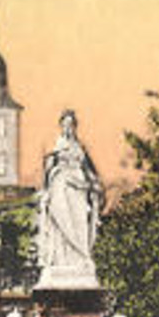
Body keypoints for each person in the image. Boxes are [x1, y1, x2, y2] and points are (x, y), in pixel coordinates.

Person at [36, 109, 103, 283]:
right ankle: (61, 261)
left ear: (74, 126)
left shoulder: (80, 147)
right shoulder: (55, 145)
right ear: (61, 125)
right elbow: (48, 169)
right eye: (65, 123)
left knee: (79, 222)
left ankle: (81, 259)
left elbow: (89, 170)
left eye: (71, 124)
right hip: (61, 185)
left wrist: (94, 184)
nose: (68, 127)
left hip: (79, 188)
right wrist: (45, 191)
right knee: (61, 220)